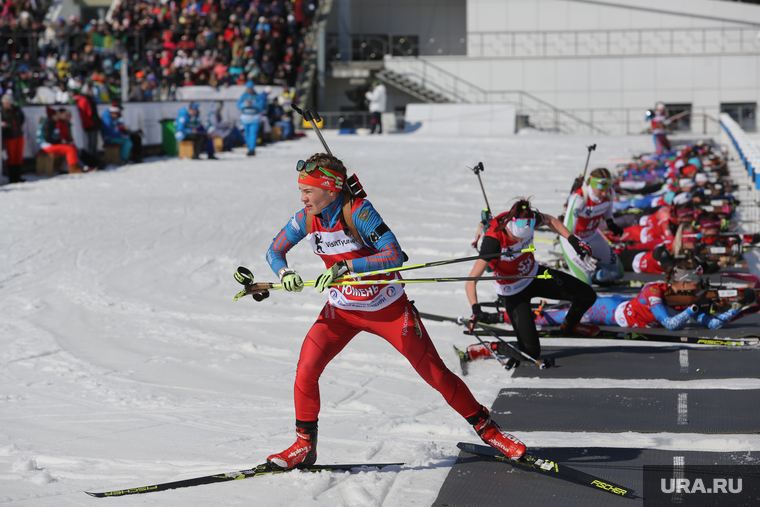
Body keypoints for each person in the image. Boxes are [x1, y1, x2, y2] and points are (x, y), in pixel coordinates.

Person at [261, 153, 527, 469]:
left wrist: (347, 266)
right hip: (342, 311)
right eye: (301, 190)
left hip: (387, 309)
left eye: (308, 190)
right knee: (306, 369)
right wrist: (284, 273)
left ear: (331, 189)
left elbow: (394, 255)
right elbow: (274, 251)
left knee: (437, 375)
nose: (302, 197)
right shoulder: (307, 217)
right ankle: (304, 446)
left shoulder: (358, 212)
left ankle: (491, 432)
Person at [464, 264, 757, 363]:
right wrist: (694, 307)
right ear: (680, 284)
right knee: (549, 318)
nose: (694, 294)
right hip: (606, 312)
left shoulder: (678, 298)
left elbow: (713, 324)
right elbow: (669, 324)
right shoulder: (656, 291)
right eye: (692, 289)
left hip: (616, 304)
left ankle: (509, 315)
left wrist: (737, 307)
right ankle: (498, 317)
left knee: (557, 312)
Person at [465, 198, 599, 364]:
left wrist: (573, 240)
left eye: (525, 238)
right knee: (530, 351)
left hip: (534, 275)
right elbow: (471, 280)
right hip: (512, 292)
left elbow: (551, 220)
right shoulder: (493, 241)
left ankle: (568, 325)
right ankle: (489, 347)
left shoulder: (529, 218)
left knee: (587, 295)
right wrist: (475, 308)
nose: (520, 242)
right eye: (517, 238)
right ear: (511, 225)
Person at [561, 168, 625, 285]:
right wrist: (580, 250)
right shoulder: (579, 198)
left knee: (618, 273)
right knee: (585, 286)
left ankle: (597, 277)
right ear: (592, 183)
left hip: (593, 236)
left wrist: (611, 223)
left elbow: (607, 211)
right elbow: (568, 231)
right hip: (573, 241)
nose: (605, 193)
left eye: (606, 189)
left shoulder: (610, 192)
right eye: (601, 190)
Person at [37, 107, 84, 173]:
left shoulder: (51, 123)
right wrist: (60, 141)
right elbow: (48, 139)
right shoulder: (48, 124)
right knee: (70, 149)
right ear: (52, 116)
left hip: (49, 145)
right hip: (45, 146)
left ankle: (69, 168)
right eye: (56, 115)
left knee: (71, 147)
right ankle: (74, 169)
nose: (57, 117)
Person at [73, 84, 102, 163]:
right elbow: (84, 114)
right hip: (90, 125)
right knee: (91, 144)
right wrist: (90, 123)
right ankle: (92, 161)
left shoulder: (90, 99)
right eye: (90, 90)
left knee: (94, 144)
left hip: (94, 124)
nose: (92, 91)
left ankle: (95, 160)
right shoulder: (84, 99)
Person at [2, 94, 26, 183]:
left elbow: (22, 119)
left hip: (19, 136)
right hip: (9, 137)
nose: (5, 104)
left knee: (19, 157)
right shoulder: (2, 112)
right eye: (4, 103)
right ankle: (12, 178)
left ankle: (18, 176)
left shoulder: (17, 110)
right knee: (11, 157)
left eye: (7, 103)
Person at [237, 81, 261, 156]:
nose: (250, 90)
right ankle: (249, 147)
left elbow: (261, 106)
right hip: (245, 119)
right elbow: (239, 106)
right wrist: (245, 104)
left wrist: (253, 103)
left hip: (255, 118)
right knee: (246, 134)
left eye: (251, 88)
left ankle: (252, 149)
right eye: (248, 88)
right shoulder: (243, 96)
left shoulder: (257, 96)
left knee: (253, 134)